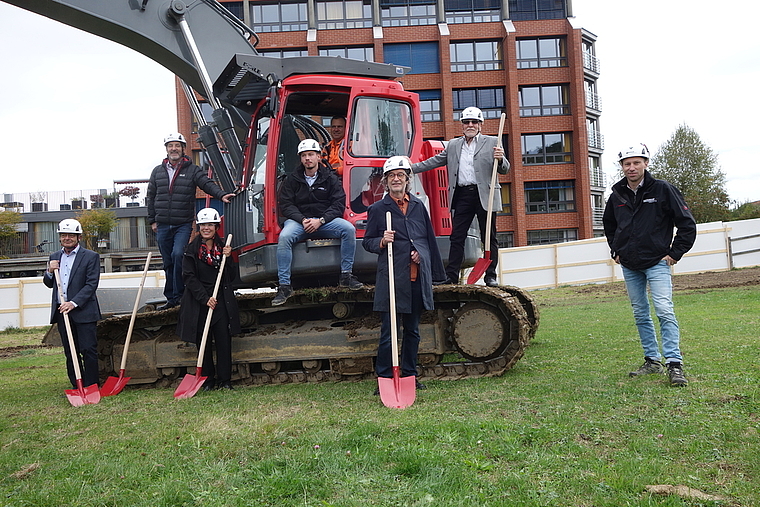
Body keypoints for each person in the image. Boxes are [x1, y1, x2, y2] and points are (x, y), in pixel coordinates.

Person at [603, 143, 697, 386]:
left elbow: (686, 224)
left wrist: (675, 253)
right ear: (622, 167)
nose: (631, 167)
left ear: (646, 163)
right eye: (627, 163)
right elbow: (610, 226)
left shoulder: (663, 190)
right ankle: (652, 360)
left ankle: (674, 364)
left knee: (664, 310)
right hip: (630, 265)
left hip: (657, 262)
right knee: (640, 313)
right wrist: (616, 250)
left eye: (636, 162)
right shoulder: (616, 195)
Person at [363, 156, 446, 393]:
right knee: (389, 332)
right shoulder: (378, 209)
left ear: (407, 179)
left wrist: (422, 255)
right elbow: (367, 242)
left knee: (413, 331)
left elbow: (426, 240)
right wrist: (381, 241)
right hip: (392, 279)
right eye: (391, 176)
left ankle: (410, 374)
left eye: (400, 175)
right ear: (386, 181)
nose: (396, 179)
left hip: (415, 279)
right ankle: (385, 377)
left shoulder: (419, 206)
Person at [411, 106, 509, 286]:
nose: (470, 125)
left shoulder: (493, 142)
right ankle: (452, 276)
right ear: (462, 125)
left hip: (484, 195)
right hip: (462, 195)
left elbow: (504, 169)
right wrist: (411, 168)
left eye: (474, 122)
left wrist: (501, 158)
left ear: (480, 124)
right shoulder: (454, 145)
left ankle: (491, 276)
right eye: (466, 122)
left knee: (489, 237)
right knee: (457, 236)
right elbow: (434, 161)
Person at [147, 133, 235, 311]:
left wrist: (221, 195)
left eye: (177, 146)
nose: (174, 149)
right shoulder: (157, 171)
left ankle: (181, 295)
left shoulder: (192, 170)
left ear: (183, 149)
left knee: (179, 255)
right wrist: (152, 220)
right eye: (170, 145)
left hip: (182, 223)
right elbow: (151, 196)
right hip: (163, 223)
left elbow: (206, 184)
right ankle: (171, 297)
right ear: (166, 149)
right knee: (167, 262)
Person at [272, 139, 363, 306]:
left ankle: (346, 276)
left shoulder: (330, 178)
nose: (308, 158)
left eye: (311, 154)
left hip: (324, 221)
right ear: (300, 158)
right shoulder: (292, 180)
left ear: (318, 157)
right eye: (304, 155)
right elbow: (286, 204)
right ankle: (284, 286)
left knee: (348, 229)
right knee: (284, 237)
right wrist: (302, 219)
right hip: (300, 222)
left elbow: (338, 204)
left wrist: (321, 221)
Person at [176, 208, 240, 391]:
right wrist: (205, 299)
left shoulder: (224, 248)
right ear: (198, 226)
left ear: (216, 227)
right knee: (202, 343)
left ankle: (225, 380)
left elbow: (232, 276)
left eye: (210, 224)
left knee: (223, 341)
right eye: (203, 224)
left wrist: (228, 259)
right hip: (200, 303)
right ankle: (208, 380)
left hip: (221, 301)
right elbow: (188, 277)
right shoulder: (190, 250)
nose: (206, 228)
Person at [43, 219, 102, 389]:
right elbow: (49, 284)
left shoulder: (91, 257)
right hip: (63, 312)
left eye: (71, 235)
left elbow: (91, 284)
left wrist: (73, 303)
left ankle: (92, 386)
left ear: (79, 237)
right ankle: (77, 385)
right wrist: (49, 271)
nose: (67, 238)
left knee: (88, 350)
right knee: (70, 352)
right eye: (63, 235)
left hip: (84, 311)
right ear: (60, 237)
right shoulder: (54, 257)